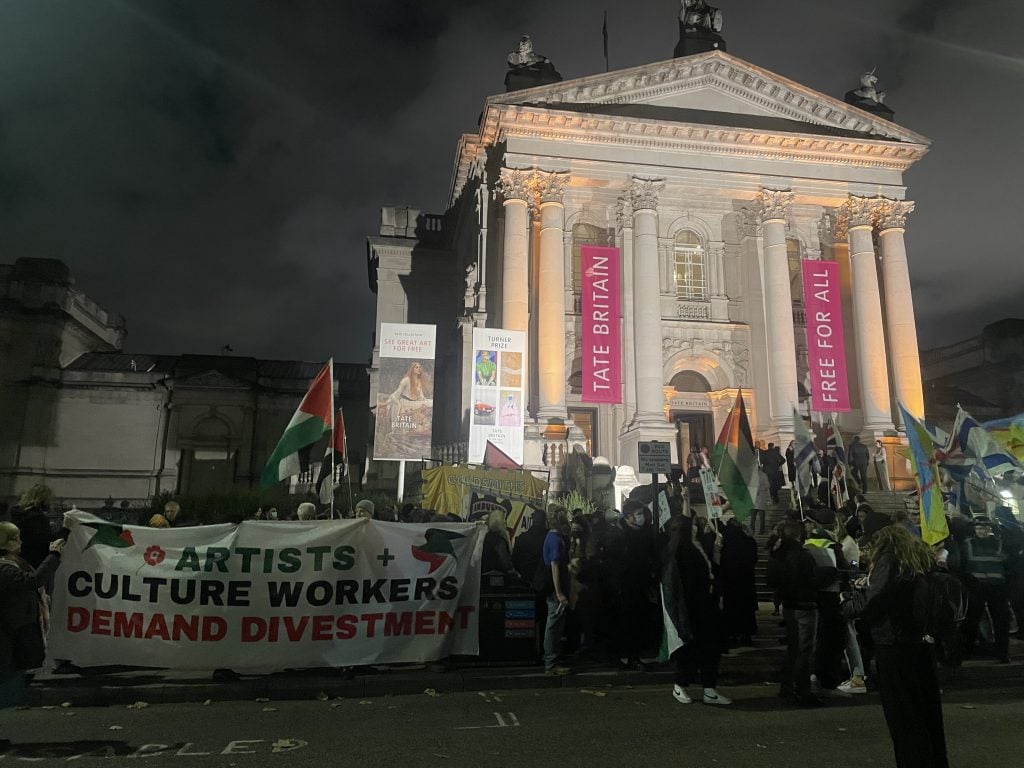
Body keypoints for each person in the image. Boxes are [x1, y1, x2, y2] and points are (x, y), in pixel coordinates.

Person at [842, 525, 950, 768]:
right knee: (926, 712)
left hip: (894, 643)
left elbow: (875, 601)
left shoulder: (889, 560)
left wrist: (851, 602)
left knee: (903, 716)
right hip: (920, 642)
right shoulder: (919, 561)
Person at [666, 515, 732, 705]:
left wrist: (717, 554)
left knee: (710, 647)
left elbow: (711, 570)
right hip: (691, 606)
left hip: (707, 604)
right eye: (693, 525)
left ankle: (709, 688)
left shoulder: (699, 546)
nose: (697, 528)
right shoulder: (681, 550)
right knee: (691, 647)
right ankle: (680, 684)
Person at [1, 520, 66, 708]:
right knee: (6, 683)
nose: (21, 542)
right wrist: (54, 554)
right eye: (16, 539)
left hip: (13, 631)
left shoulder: (13, 562)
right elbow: (34, 580)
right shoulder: (4, 568)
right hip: (7, 634)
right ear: (6, 543)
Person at [767, 520, 823, 707]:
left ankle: (787, 686)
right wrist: (829, 574)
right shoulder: (801, 556)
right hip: (803, 605)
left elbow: (772, 580)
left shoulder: (778, 554)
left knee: (794, 648)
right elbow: (810, 580)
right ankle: (802, 691)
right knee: (803, 650)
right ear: (799, 535)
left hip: (789, 605)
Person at [960, 515, 1010, 663]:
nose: (983, 531)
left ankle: (1002, 654)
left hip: (997, 587)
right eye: (980, 528)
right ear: (974, 529)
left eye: (986, 528)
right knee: (971, 621)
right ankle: (967, 651)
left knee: (1001, 621)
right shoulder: (967, 544)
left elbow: (1008, 565)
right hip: (977, 587)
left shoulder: (1000, 543)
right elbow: (963, 566)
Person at [541, 508, 571, 674]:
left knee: (556, 624)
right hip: (555, 590)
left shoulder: (553, 537)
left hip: (555, 588)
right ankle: (551, 662)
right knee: (553, 624)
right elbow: (555, 566)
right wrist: (559, 592)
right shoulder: (555, 539)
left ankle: (552, 658)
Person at [750, 468, 771, 535]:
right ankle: (752, 531)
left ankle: (761, 531)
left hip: (761, 498)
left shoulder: (763, 475)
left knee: (761, 517)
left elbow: (767, 485)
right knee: (753, 518)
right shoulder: (751, 475)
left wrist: (760, 489)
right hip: (754, 499)